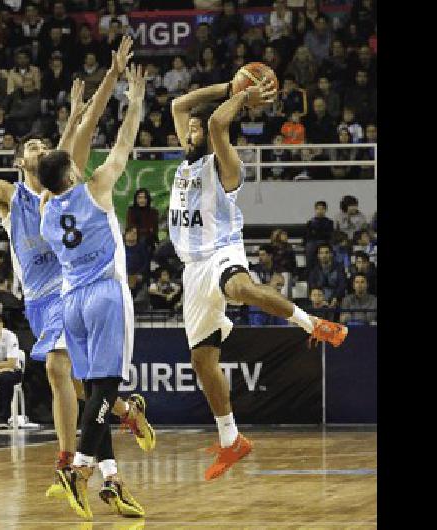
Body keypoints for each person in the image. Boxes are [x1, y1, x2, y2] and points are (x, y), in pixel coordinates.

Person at [0, 37, 151, 519]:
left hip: (73, 290)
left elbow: (89, 125)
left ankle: (68, 463)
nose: (39, 148)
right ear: (22, 162)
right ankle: (118, 449)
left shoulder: (66, 178)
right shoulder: (9, 197)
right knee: (86, 389)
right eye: (30, 146)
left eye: (45, 145)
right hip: (40, 301)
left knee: (61, 370)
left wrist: (109, 79)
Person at [167, 75, 347, 481]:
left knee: (239, 287)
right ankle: (231, 440)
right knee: (202, 360)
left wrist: (243, 98)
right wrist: (227, 87)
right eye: (191, 130)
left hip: (220, 251)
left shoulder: (224, 163)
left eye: (196, 129)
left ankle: (313, 323)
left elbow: (215, 125)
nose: (190, 131)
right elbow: (180, 105)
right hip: (192, 268)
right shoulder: (187, 158)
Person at [38, 63, 151, 520]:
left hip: (72, 303)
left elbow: (62, 160)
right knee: (106, 388)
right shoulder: (97, 188)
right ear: (72, 170)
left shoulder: (45, 210)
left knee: (92, 392)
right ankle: (80, 469)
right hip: (105, 294)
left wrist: (75, 116)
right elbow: (124, 143)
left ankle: (109, 478)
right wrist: (135, 101)